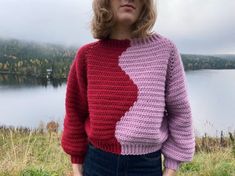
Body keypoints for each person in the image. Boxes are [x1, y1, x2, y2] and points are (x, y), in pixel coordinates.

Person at [61, 0, 196, 176]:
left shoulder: (165, 51)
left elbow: (180, 111)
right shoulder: (87, 56)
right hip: (97, 163)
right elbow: (75, 111)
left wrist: (172, 166)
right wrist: (76, 161)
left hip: (146, 166)